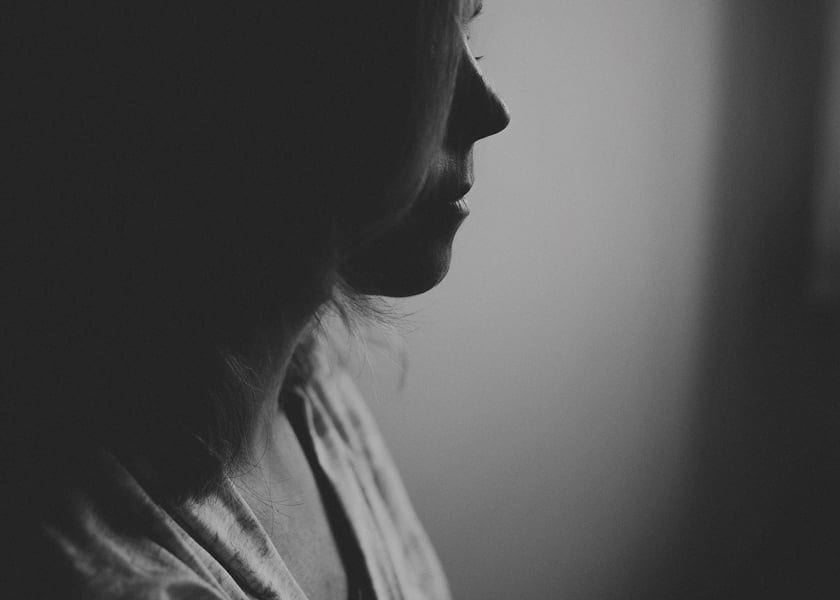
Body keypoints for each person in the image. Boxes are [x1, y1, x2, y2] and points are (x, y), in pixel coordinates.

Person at [1, 0, 509, 598]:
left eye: (467, 37)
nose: (491, 112)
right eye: (427, 59)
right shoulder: (87, 565)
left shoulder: (305, 383)